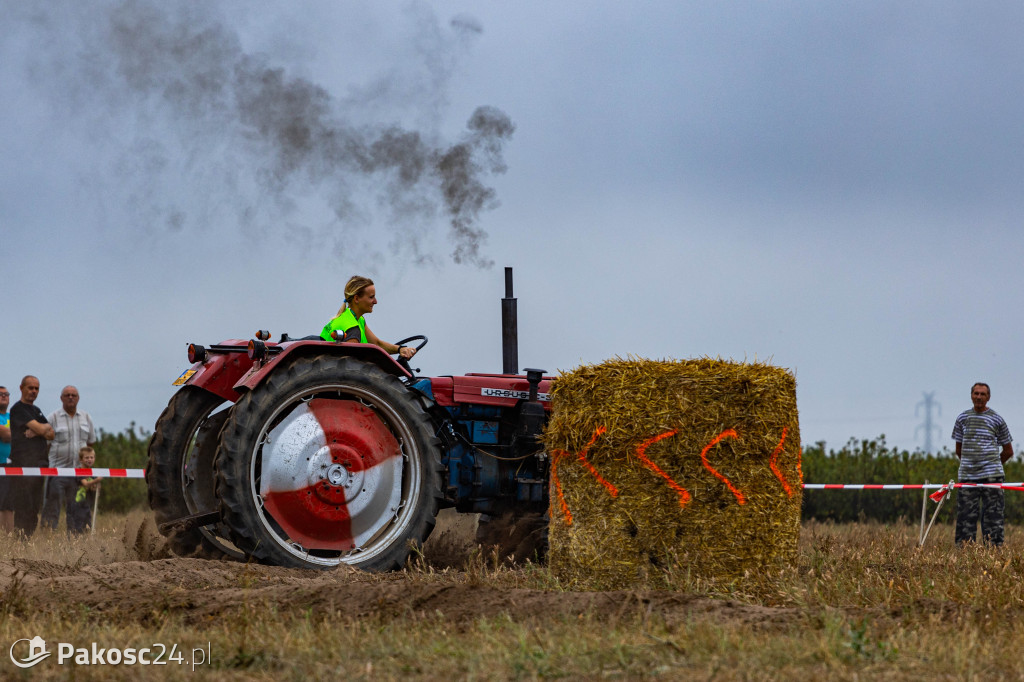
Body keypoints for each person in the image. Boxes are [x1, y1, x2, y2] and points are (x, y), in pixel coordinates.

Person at [952, 382, 1014, 546]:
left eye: (983, 394)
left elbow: (1008, 450)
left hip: (992, 477)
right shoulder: (962, 418)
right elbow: (959, 449)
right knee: (965, 516)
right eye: (976, 394)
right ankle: (965, 552)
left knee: (993, 516)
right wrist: (972, 464)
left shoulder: (997, 419)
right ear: (971, 396)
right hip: (967, 476)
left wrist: (991, 465)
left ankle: (993, 551)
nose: (979, 397)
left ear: (988, 397)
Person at [319, 276, 418, 361]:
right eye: (371, 297)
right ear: (356, 299)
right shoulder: (352, 328)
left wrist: (400, 349)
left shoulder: (351, 318)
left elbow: (377, 343)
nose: (375, 301)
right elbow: (351, 365)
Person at [42, 385, 97, 533]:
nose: (70, 397)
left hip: (79, 474)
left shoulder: (86, 417)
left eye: (73, 395)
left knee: (77, 509)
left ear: (78, 398)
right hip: (57, 472)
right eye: (67, 395)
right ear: (61, 398)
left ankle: (75, 540)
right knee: (52, 507)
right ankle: (48, 539)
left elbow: (90, 443)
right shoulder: (52, 418)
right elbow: (45, 444)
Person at [9, 375, 55, 537]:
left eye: (36, 388)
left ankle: (28, 541)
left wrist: (36, 431)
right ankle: (20, 541)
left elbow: (51, 433)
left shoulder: (36, 410)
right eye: (30, 387)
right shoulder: (18, 409)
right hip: (23, 464)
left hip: (40, 464)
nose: (34, 391)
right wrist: (41, 430)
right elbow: (45, 431)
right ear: (21, 388)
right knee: (24, 505)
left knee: (35, 507)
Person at [69, 446, 101, 534]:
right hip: (77, 504)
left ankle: (84, 544)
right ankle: (75, 542)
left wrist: (96, 486)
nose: (89, 459)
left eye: (91, 457)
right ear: (81, 459)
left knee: (87, 526)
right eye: (86, 457)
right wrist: (97, 480)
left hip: (87, 504)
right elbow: (85, 483)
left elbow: (94, 487)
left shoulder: (93, 472)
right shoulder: (80, 471)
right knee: (78, 527)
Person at [0, 386, 13, 532]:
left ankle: (8, 539)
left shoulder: (12, 417)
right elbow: (6, 435)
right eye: (0, 394)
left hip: (10, 465)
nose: (3, 396)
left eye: (6, 394)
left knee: (8, 503)